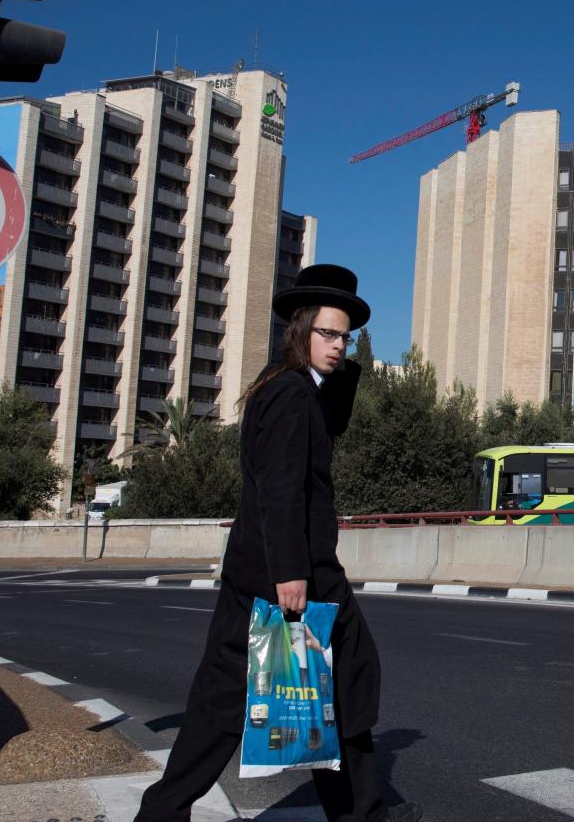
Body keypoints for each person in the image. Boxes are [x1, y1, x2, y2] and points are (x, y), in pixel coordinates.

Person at [135, 264, 419, 822]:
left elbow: (328, 426)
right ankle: (359, 811)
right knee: (342, 677)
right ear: (300, 328)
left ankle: (165, 812)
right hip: (291, 569)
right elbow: (282, 489)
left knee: (256, 693)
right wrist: (290, 571)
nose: (338, 346)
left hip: (260, 565)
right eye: (327, 334)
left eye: (344, 336)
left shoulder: (287, 385)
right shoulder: (291, 394)